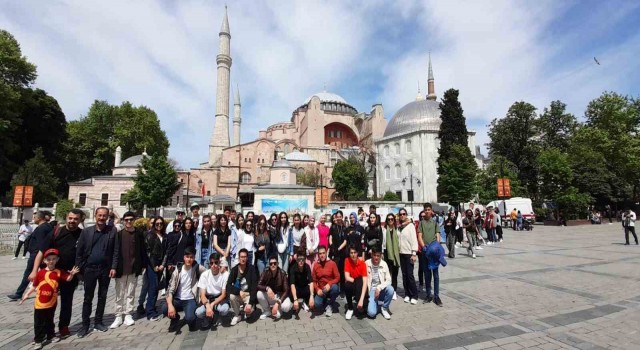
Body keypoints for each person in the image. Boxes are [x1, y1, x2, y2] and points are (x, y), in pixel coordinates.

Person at [30, 209, 83, 339]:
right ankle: (46, 330)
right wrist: (34, 271)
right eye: (70, 218)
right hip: (51, 273)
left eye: (76, 219)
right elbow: (41, 252)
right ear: (66, 218)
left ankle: (64, 326)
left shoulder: (82, 234)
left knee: (67, 302)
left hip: (69, 274)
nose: (72, 221)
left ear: (81, 220)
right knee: (47, 302)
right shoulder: (56, 232)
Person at [20, 249, 79, 349]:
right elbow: (34, 286)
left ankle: (50, 336)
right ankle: (38, 340)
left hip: (52, 302)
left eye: (53, 259)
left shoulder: (59, 272)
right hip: (39, 303)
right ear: (44, 261)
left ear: (57, 260)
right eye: (49, 259)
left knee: (49, 320)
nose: (51, 261)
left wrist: (72, 274)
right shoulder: (40, 273)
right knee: (38, 322)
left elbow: (68, 279)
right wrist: (26, 295)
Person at [75, 207, 119, 337]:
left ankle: (98, 322)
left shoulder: (112, 231)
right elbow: (80, 252)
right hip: (90, 268)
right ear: (95, 216)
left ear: (107, 217)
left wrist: (114, 267)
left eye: (104, 216)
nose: (101, 218)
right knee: (88, 297)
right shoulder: (86, 232)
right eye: (99, 215)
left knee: (102, 296)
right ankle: (85, 325)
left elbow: (116, 250)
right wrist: (79, 269)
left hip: (105, 269)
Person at [110, 211, 148, 329]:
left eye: (131, 219)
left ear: (134, 220)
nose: (129, 222)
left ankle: (128, 314)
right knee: (119, 293)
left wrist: (142, 265)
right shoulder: (119, 234)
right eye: (126, 219)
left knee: (131, 292)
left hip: (133, 267)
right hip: (121, 268)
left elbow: (142, 250)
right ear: (123, 221)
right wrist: (114, 267)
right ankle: (118, 315)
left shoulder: (139, 233)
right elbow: (115, 251)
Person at [8, 211, 52, 301]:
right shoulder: (47, 226)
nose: (33, 219)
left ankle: (19, 293)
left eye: (34, 217)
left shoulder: (41, 229)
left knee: (28, 274)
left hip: (36, 255)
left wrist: (41, 256)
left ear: (39, 218)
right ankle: (52, 289)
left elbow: (41, 243)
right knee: (47, 272)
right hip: (39, 254)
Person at [163, 246, 205, 332]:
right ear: (184, 257)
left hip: (190, 299)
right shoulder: (177, 270)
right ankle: (175, 318)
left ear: (194, 258)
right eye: (187, 257)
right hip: (178, 299)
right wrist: (170, 306)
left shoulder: (197, 268)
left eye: (191, 257)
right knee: (165, 308)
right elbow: (169, 290)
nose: (189, 259)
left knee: (190, 319)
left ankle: (192, 319)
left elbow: (209, 273)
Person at [195, 254, 230, 329]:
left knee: (224, 310)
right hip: (208, 298)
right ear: (209, 264)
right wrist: (208, 306)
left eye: (216, 262)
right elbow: (202, 295)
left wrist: (212, 304)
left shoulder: (225, 274)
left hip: (219, 298)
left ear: (219, 263)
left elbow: (223, 294)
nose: (213, 265)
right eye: (211, 263)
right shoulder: (204, 275)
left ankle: (218, 315)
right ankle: (207, 318)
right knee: (198, 313)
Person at [418, 203, 442, 306]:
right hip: (425, 252)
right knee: (427, 274)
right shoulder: (421, 223)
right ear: (424, 211)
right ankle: (428, 295)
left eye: (429, 209)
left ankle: (436, 296)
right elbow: (419, 236)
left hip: (434, 251)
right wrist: (424, 247)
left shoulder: (435, 223)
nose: (427, 211)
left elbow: (438, 235)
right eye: (425, 209)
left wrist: (437, 246)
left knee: (435, 275)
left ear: (431, 211)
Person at [227, 248, 258, 326]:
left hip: (248, 295)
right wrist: (238, 291)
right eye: (241, 257)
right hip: (239, 295)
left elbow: (254, 286)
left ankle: (247, 311)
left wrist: (251, 303)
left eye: (245, 257)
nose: (243, 259)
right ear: (239, 257)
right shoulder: (234, 270)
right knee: (231, 296)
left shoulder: (252, 269)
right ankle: (237, 315)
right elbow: (228, 286)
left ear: (247, 258)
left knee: (249, 312)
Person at [144, 216, 167, 321]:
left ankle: (152, 308)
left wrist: (163, 264)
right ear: (153, 225)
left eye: (161, 224)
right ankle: (150, 313)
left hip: (160, 265)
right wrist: (154, 266)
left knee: (156, 287)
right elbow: (148, 252)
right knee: (152, 288)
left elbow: (166, 252)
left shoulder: (164, 236)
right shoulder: (150, 235)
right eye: (157, 224)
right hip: (152, 265)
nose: (159, 225)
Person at [257, 255, 292, 319]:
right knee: (259, 293)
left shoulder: (282, 273)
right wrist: (267, 288)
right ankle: (267, 311)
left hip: (279, 297)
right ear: (269, 265)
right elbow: (258, 285)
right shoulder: (265, 271)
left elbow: (286, 290)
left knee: (286, 307)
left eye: (275, 263)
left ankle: (279, 309)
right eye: (271, 264)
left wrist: (277, 303)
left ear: (278, 264)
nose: (273, 265)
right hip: (270, 296)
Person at [397, 208, 418, 304]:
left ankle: (414, 295)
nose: (402, 215)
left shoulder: (410, 226)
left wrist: (414, 253)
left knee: (410, 275)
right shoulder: (398, 227)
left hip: (409, 253)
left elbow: (414, 240)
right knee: (404, 275)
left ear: (406, 214)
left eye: (404, 214)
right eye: (400, 214)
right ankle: (407, 294)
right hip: (401, 253)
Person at [312, 245, 340, 317]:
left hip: (330, 288)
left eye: (323, 253)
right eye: (320, 254)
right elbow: (313, 281)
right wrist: (317, 289)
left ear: (326, 253)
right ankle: (325, 302)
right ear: (318, 255)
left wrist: (329, 284)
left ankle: (330, 305)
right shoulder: (316, 265)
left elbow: (338, 277)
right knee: (317, 304)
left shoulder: (332, 263)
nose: (322, 255)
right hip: (321, 290)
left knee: (335, 288)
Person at [365, 248, 393, 319]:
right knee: (371, 314)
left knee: (391, 289)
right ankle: (377, 304)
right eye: (374, 255)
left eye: (378, 256)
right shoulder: (367, 263)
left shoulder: (384, 264)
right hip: (371, 290)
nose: (376, 258)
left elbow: (389, 280)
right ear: (371, 255)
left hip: (381, 289)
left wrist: (379, 287)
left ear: (381, 256)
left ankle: (384, 308)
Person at [343, 245, 368, 320]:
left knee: (364, 309)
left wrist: (361, 300)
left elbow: (365, 282)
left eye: (355, 252)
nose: (353, 255)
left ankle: (359, 302)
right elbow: (347, 277)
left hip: (360, 284)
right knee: (347, 285)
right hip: (353, 283)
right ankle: (350, 308)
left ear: (357, 253)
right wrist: (356, 281)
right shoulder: (347, 260)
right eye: (351, 253)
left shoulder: (362, 263)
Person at [289, 250, 314, 316]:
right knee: (291, 294)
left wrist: (312, 296)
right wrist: (295, 299)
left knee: (312, 290)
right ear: (296, 260)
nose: (301, 261)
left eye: (302, 259)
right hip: (296, 289)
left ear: (305, 260)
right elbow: (292, 284)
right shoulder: (293, 268)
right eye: (299, 259)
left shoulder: (307, 266)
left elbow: (311, 281)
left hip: (304, 288)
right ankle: (295, 304)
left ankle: (305, 302)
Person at [382, 213, 400, 300]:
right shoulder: (384, 230)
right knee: (387, 273)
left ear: (394, 220)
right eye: (388, 219)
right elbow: (382, 242)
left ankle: (394, 291)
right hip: (387, 253)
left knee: (395, 274)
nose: (390, 221)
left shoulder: (397, 229)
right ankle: (388, 291)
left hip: (396, 253)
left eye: (392, 219)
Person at [329, 210, 347, 293]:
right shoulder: (333, 227)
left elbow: (345, 241)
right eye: (337, 216)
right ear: (336, 217)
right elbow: (330, 237)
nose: (339, 218)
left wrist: (339, 248)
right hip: (334, 252)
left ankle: (342, 289)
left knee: (342, 271)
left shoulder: (344, 228)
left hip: (342, 252)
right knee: (334, 271)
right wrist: (332, 246)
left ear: (342, 217)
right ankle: (335, 288)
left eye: (340, 216)